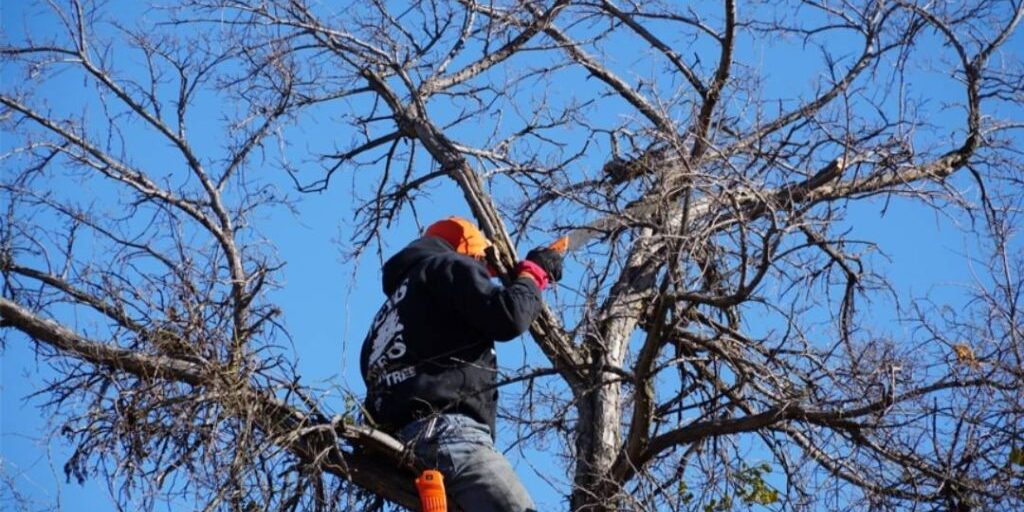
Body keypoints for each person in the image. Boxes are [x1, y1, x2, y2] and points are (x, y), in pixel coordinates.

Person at [360, 216, 563, 512]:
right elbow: (507, 315)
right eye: (484, 270)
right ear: (469, 251)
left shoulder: (384, 318)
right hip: (451, 436)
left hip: (403, 454)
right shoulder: (448, 266)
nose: (484, 277)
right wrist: (534, 273)